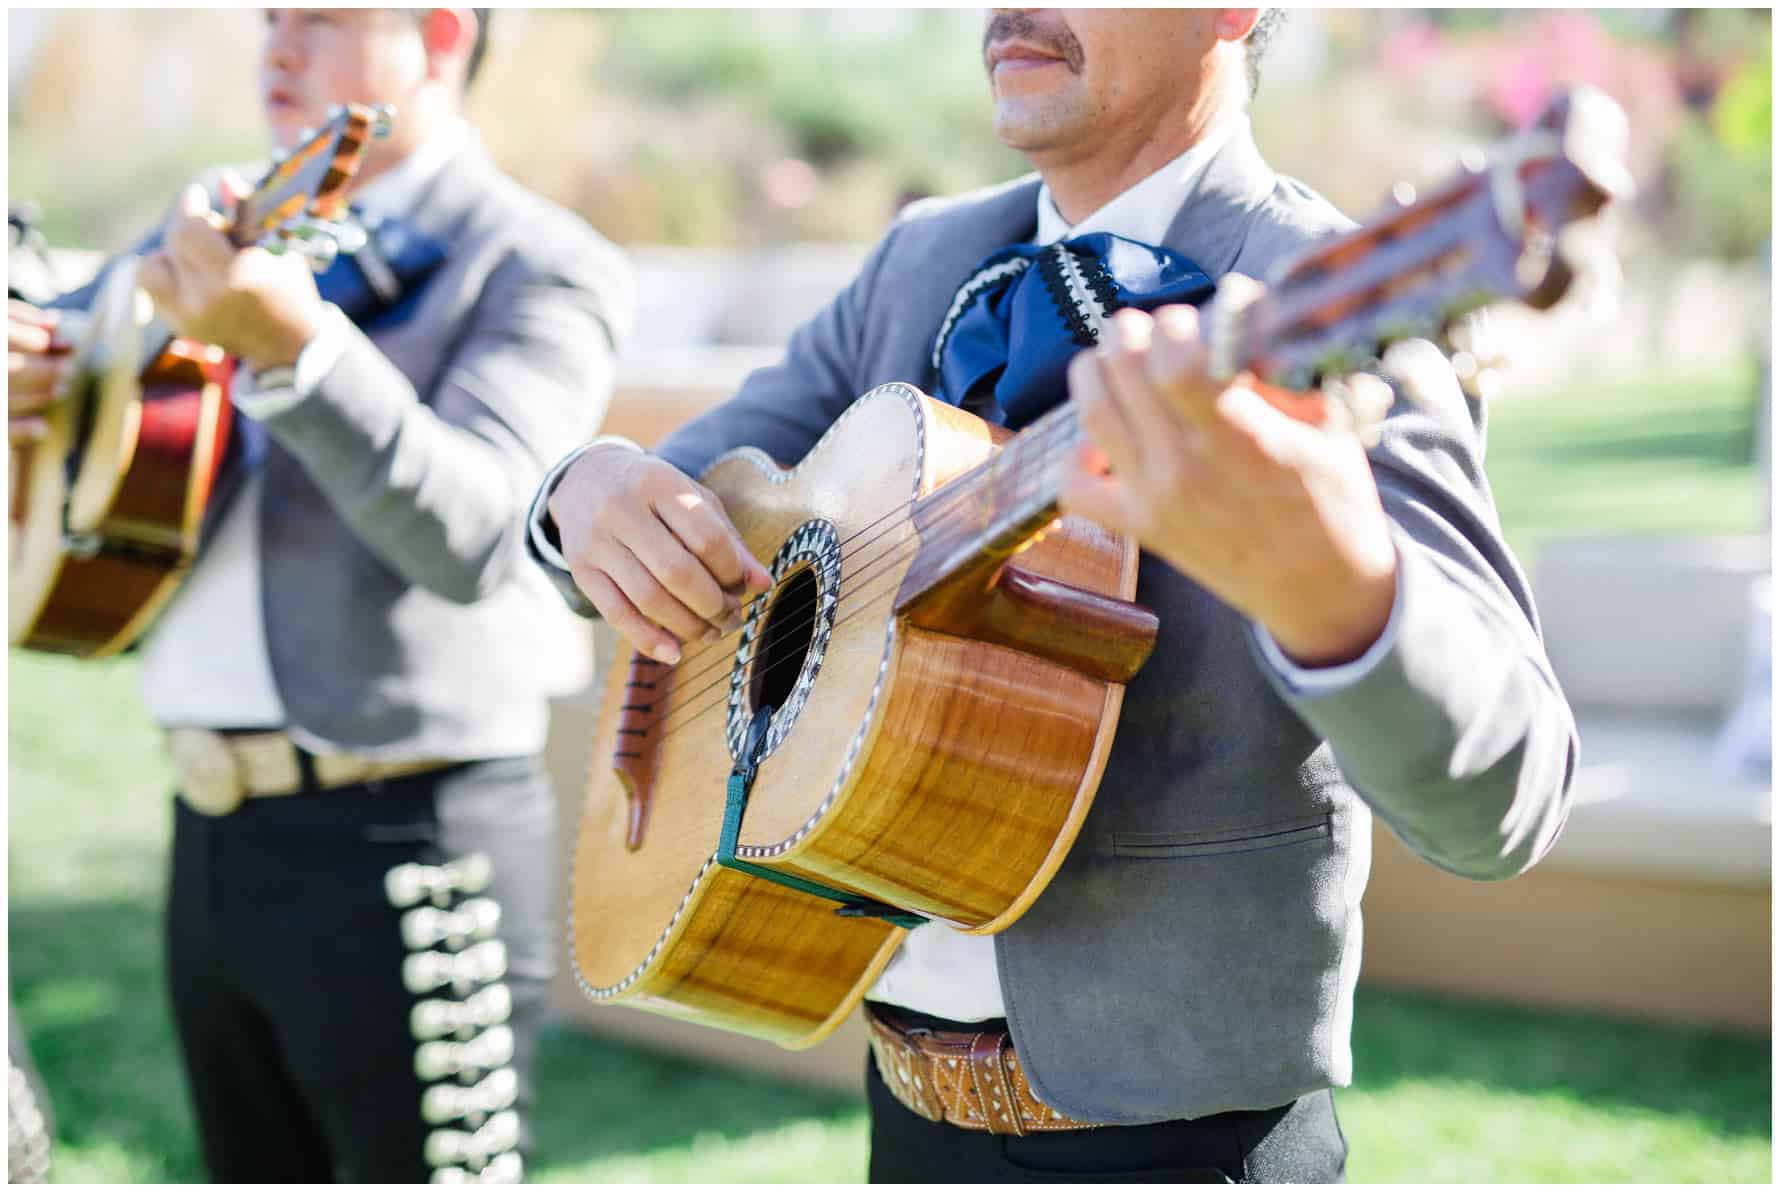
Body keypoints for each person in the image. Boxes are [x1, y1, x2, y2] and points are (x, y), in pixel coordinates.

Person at [527, 8, 1576, 1183]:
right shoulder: (919, 258)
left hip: (1180, 1148)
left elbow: (1508, 798)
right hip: (901, 1117)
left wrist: (1337, 589)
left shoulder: (1312, 297)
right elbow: (683, 504)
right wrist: (584, 488)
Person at [8, 8, 632, 1182]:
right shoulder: (210, 222)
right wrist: (37, 377)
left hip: (409, 837)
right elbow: (99, 419)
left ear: (440, 32)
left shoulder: (540, 258)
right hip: (209, 832)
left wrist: (297, 347)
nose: (278, 47)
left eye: (324, 15)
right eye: (271, 18)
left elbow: (482, 531)